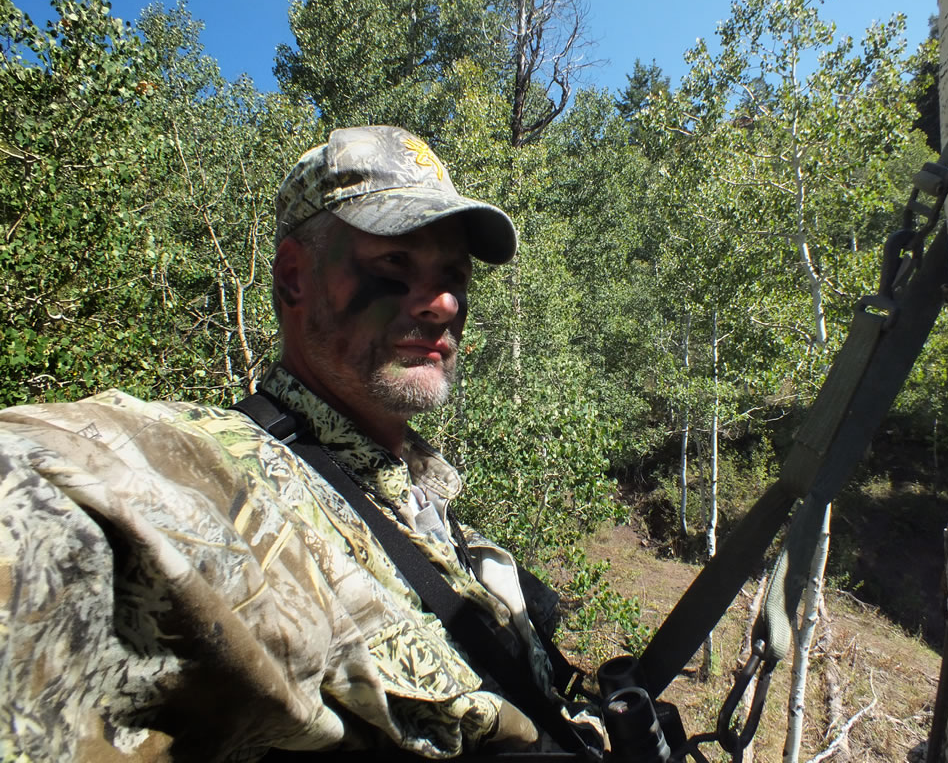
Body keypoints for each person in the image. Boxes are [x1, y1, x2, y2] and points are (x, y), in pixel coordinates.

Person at [0, 126, 579, 762]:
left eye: (454, 275)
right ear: (294, 277)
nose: (443, 302)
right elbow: (49, 484)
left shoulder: (421, 505)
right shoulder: (215, 473)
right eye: (394, 263)